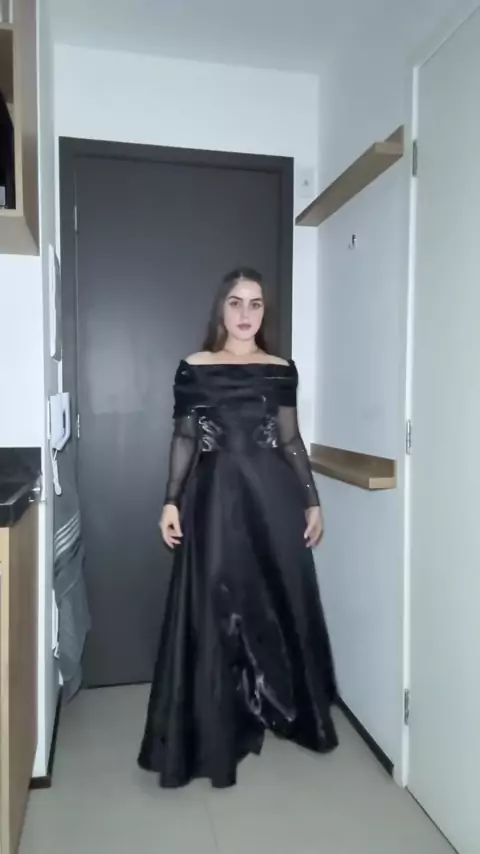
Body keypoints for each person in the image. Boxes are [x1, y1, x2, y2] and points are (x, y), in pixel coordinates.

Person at [138, 267, 338, 788]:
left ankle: (280, 705)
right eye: (236, 302)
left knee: (276, 599)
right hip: (214, 499)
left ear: (264, 312)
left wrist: (311, 501)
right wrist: (170, 500)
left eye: (256, 304)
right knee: (215, 604)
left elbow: (290, 440)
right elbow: (185, 439)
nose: (246, 314)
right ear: (221, 309)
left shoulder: (281, 369)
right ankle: (215, 721)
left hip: (273, 498)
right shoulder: (194, 367)